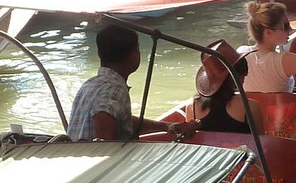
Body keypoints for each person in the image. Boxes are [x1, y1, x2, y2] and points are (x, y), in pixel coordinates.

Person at [67, 25, 198, 141]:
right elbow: (103, 115)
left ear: (99, 54)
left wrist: (165, 126)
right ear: (135, 56)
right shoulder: (115, 89)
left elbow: (121, 119)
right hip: (100, 164)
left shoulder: (89, 85)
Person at [191, 43, 263, 134]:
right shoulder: (250, 107)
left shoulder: (192, 106)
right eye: (244, 75)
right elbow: (261, 141)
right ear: (238, 77)